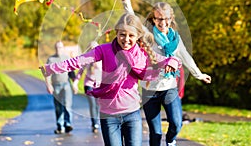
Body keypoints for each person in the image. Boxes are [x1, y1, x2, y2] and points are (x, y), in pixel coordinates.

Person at [40, 13, 182, 146]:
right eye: (122, 34)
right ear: (116, 33)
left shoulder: (143, 53)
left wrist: (172, 63)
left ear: (138, 36)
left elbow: (172, 59)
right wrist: (51, 68)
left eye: (131, 35)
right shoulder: (104, 50)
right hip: (109, 116)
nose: (126, 39)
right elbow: (77, 61)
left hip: (132, 114)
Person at [117, 0, 212, 146]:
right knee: (155, 132)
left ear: (171, 18)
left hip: (169, 87)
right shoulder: (147, 34)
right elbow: (132, 17)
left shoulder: (175, 38)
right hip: (149, 90)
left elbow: (185, 57)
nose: (163, 23)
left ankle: (171, 141)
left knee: (176, 123)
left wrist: (199, 74)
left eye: (167, 19)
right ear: (154, 19)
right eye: (159, 19)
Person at [45, 41, 76, 134]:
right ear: (55, 48)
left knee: (67, 105)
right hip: (55, 85)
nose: (59, 49)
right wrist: (48, 85)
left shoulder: (67, 58)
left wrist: (75, 84)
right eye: (57, 47)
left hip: (66, 84)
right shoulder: (51, 59)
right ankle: (60, 126)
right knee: (58, 107)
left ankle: (68, 124)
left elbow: (71, 73)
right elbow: (47, 74)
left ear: (63, 48)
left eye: (60, 47)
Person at [72, 41, 102, 133]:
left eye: (95, 48)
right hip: (88, 85)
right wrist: (75, 83)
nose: (93, 50)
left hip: (99, 86)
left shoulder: (102, 59)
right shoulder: (86, 60)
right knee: (92, 104)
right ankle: (95, 124)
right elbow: (80, 72)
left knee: (98, 105)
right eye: (92, 48)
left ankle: (96, 120)